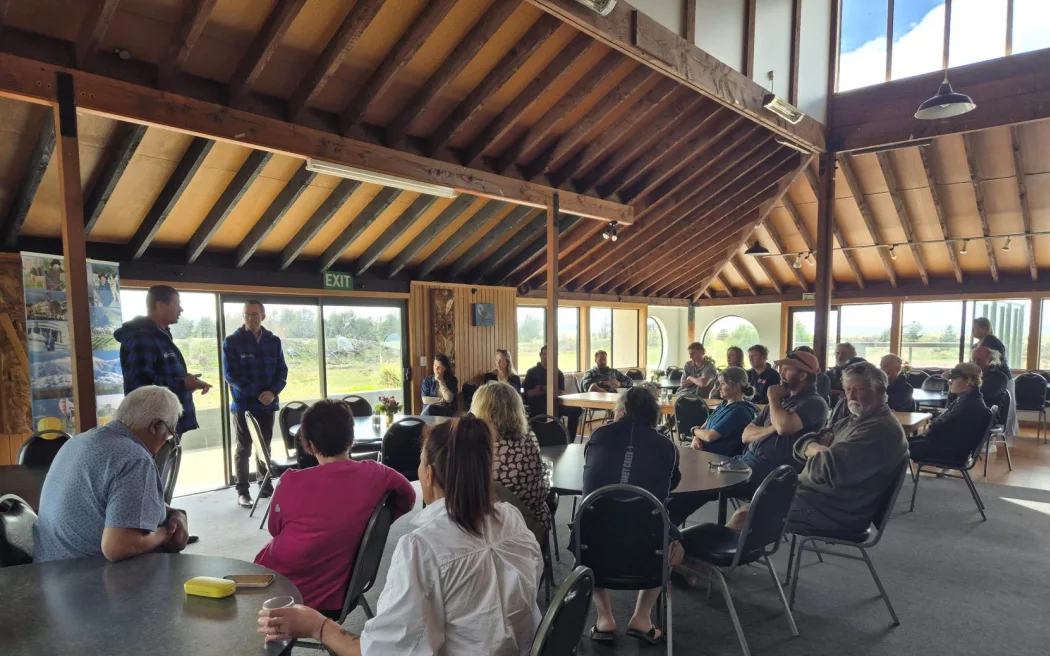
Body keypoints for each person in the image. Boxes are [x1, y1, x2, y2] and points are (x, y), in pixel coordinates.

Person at [258, 417, 543, 655]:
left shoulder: (423, 547)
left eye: (421, 464)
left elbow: (384, 652)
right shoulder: (512, 520)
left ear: (429, 475)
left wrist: (316, 625)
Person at [255, 400, 415, 615]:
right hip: (345, 589)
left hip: (285, 591)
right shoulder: (378, 474)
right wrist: (374, 526)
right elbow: (409, 497)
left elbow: (275, 530)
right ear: (351, 438)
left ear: (310, 445)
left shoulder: (290, 482)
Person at [665, 350, 828, 527]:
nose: (781, 373)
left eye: (787, 369)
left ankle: (661, 535)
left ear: (803, 374)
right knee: (685, 484)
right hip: (746, 461)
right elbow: (746, 435)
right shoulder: (780, 403)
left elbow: (783, 427)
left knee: (697, 486)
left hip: (773, 473)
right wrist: (771, 427)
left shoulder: (814, 402)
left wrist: (773, 400)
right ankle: (661, 531)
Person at [33, 387, 190, 563]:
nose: (165, 441)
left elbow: (122, 501)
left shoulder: (80, 440)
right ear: (155, 426)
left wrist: (174, 513)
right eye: (169, 433)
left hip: (47, 572)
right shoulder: (135, 458)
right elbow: (118, 546)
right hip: (86, 578)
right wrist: (164, 534)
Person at [582, 387, 681, 644]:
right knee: (671, 537)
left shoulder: (598, 435)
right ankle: (642, 617)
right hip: (647, 544)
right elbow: (671, 485)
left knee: (586, 526)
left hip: (594, 542)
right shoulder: (666, 445)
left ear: (622, 411)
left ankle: (604, 618)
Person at [782, 362, 908, 536]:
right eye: (848, 390)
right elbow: (801, 444)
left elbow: (823, 471)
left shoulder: (878, 429)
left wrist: (817, 451)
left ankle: (735, 559)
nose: (851, 396)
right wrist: (822, 450)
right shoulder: (858, 419)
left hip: (837, 512)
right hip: (820, 498)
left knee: (752, 513)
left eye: (859, 389)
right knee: (756, 506)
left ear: (880, 391)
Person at [115, 285, 212, 437]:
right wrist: (183, 384)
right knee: (155, 462)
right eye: (176, 304)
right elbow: (142, 385)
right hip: (153, 426)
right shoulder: (142, 337)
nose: (181, 309)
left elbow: (160, 373)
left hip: (165, 424)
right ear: (160, 305)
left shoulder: (160, 334)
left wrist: (188, 381)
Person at [223, 300, 288, 508]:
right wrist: (257, 392)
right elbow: (230, 375)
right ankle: (242, 491)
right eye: (246, 314)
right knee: (244, 448)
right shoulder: (232, 341)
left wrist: (272, 392)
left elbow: (282, 371)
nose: (250, 318)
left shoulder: (273, 341)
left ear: (263, 316)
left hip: (268, 404)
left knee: (265, 446)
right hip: (243, 404)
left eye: (254, 314)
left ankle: (265, 484)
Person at [471, 381, 552, 532]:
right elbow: (540, 487)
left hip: (488, 529)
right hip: (531, 527)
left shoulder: (475, 448)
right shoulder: (529, 440)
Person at [908, 363, 990, 464]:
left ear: (968, 381)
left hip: (950, 453)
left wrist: (932, 425)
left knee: (896, 446)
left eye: (953, 379)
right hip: (949, 448)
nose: (949, 383)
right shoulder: (968, 399)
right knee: (899, 442)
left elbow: (939, 427)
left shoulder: (969, 405)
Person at [688, 367, 757, 457]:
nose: (718, 388)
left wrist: (693, 431)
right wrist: (696, 437)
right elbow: (705, 426)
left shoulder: (739, 411)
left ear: (737, 387)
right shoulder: (724, 404)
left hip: (718, 460)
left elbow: (710, 436)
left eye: (723, 384)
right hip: (704, 452)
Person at [523, 345, 582, 436]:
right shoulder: (531, 372)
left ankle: (569, 438)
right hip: (536, 404)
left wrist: (542, 388)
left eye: (549, 355)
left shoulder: (558, 373)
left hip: (555, 404)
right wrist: (546, 389)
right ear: (540, 355)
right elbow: (528, 393)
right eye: (544, 354)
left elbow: (561, 392)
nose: (546, 357)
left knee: (576, 410)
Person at [972, 346, 1009, 425]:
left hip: (986, 418)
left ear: (991, 359)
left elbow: (982, 395)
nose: (976, 362)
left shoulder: (999, 378)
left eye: (980, 359)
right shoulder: (970, 376)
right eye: (973, 359)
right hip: (969, 414)